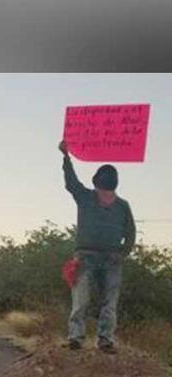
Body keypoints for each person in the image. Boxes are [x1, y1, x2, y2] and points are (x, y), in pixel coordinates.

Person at [59, 140, 137, 353]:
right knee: (81, 299)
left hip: (112, 258)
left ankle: (105, 340)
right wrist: (66, 157)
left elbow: (130, 232)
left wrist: (123, 253)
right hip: (85, 256)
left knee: (109, 302)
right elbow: (71, 182)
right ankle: (76, 337)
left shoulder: (122, 205)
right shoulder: (85, 197)